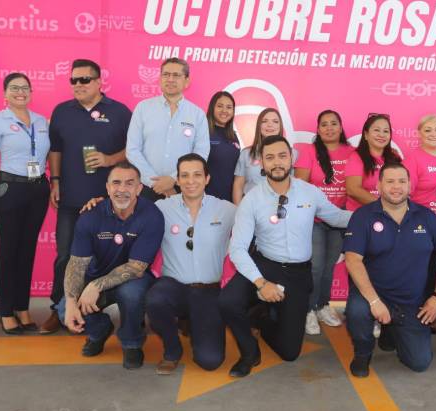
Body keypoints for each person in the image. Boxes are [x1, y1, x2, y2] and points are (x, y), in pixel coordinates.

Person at [219, 135, 351, 378]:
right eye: (270, 158)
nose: (277, 162)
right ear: (262, 164)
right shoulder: (252, 200)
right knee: (227, 301)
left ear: (292, 158)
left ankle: (261, 317)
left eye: (282, 156)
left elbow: (337, 217)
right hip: (265, 265)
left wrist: (376, 213)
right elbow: (237, 249)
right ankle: (249, 351)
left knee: (290, 353)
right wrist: (261, 283)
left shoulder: (310, 193)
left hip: (298, 273)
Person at [42, 59, 132, 334]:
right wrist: (55, 181)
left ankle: (131, 315)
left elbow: (134, 150)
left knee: (118, 258)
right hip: (71, 199)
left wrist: (109, 159)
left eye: (84, 80)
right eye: (74, 80)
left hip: (111, 203)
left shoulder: (119, 112)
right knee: (66, 256)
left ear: (99, 82)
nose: (78, 85)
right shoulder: (61, 111)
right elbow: (55, 150)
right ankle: (59, 309)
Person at [343, 162, 436, 377]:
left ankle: (392, 330)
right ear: (379, 185)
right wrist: (375, 302)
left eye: (402, 181)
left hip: (410, 300)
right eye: (390, 181)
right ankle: (362, 352)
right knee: (357, 312)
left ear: (410, 185)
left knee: (419, 362)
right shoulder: (363, 216)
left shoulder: (426, 216)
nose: (397, 187)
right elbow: (353, 260)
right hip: (372, 294)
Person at [61, 162, 163, 369]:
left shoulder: (152, 215)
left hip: (135, 278)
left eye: (129, 183)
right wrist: (72, 302)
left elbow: (136, 267)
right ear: (107, 188)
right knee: (65, 308)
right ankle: (99, 330)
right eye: (116, 183)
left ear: (139, 188)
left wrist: (96, 286)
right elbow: (76, 265)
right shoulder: (90, 215)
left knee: (131, 293)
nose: (122, 189)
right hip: (98, 274)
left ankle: (131, 343)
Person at [146, 153, 236, 373]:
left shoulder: (227, 210)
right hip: (173, 287)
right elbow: (128, 212)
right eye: (184, 175)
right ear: (177, 179)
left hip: (209, 292)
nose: (190, 181)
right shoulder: (161, 208)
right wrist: (100, 203)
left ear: (207, 179)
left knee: (210, 361)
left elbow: (256, 219)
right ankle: (172, 349)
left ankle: (194, 324)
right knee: (155, 299)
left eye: (197, 175)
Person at [0, 73, 51, 334]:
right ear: (5, 93)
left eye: (25, 88)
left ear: (31, 92)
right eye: (14, 88)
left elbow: (50, 155)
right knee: (9, 252)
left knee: (27, 251)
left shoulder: (42, 121)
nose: (20, 92)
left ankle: (22, 307)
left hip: (38, 190)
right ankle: (5, 311)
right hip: (9, 190)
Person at [294, 110, 354, 335]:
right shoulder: (309, 151)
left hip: (341, 220)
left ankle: (323, 305)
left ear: (341, 127)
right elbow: (300, 186)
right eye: (324, 125)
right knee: (316, 267)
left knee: (329, 267)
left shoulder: (352, 152)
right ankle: (308, 309)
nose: (329, 128)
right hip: (315, 220)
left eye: (334, 124)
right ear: (318, 129)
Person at [126, 57, 209, 202]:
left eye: (176, 75)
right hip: (145, 187)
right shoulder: (143, 108)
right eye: (166, 74)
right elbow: (132, 150)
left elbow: (201, 153)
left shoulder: (197, 114)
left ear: (187, 81)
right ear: (160, 78)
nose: (170, 79)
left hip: (182, 188)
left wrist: (173, 178)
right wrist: (154, 182)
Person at [345, 113, 401, 212]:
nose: (382, 135)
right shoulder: (356, 157)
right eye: (376, 130)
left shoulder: (395, 157)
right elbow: (352, 189)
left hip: (389, 214)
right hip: (362, 214)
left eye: (386, 131)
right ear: (366, 135)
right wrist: (384, 206)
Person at [232, 108, 284, 204]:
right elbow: (238, 186)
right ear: (259, 126)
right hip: (251, 208)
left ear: (280, 126)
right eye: (264, 121)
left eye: (275, 121)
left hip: (281, 210)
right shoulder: (246, 153)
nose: (270, 125)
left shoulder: (292, 154)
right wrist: (238, 211)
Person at [204, 91, 240, 202]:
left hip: (230, 198)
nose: (224, 111)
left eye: (229, 107)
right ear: (212, 108)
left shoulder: (233, 135)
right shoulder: (203, 132)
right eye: (220, 106)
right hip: (208, 197)